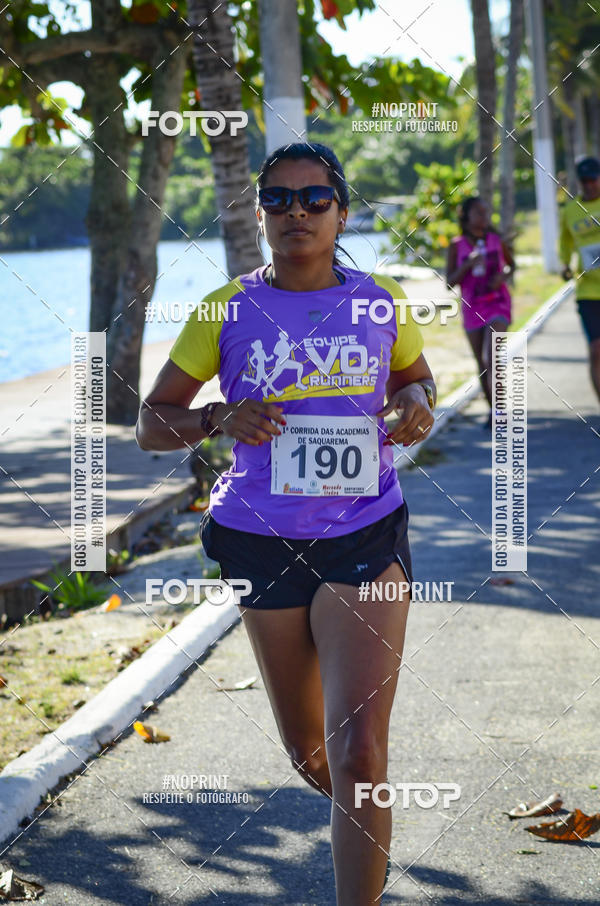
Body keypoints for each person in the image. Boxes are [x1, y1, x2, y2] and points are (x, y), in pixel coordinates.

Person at [136, 141, 436, 905]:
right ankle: (363, 818)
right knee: (310, 752)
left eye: (313, 199)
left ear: (341, 211)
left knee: (361, 751)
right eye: (278, 199)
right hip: (258, 538)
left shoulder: (379, 299)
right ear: (259, 211)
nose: (295, 212)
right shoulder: (225, 308)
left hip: (365, 534)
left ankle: (361, 853)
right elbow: (150, 423)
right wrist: (215, 416)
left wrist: (416, 405)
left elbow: (414, 376)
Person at [446, 196, 515, 427]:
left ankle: (501, 410)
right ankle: (495, 411)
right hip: (472, 308)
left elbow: (511, 265)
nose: (484, 217)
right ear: (466, 217)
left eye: (486, 212)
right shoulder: (457, 246)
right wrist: (467, 264)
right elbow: (449, 282)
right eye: (478, 212)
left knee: (490, 357)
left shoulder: (496, 240)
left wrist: (502, 277)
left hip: (498, 303)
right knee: (481, 362)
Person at [559, 156, 600, 402]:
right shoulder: (571, 211)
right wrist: (565, 265)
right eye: (584, 181)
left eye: (593, 180)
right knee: (596, 351)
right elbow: (565, 243)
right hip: (588, 292)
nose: (589, 185)